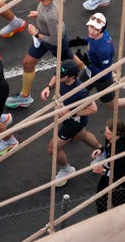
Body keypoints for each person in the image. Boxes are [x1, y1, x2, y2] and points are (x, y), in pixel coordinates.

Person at [6, 0, 81, 109]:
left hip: (54, 42)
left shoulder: (50, 16)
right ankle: (25, 97)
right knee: (27, 63)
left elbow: (54, 39)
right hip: (44, 36)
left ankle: (90, 71)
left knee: (72, 63)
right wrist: (39, 14)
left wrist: (35, 34)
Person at [39, 59, 100, 187]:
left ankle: (67, 170)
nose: (58, 77)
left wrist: (71, 113)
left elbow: (94, 109)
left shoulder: (80, 91)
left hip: (73, 122)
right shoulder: (62, 78)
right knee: (82, 135)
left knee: (53, 148)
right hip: (69, 118)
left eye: (63, 76)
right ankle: (103, 151)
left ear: (72, 77)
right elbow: (56, 77)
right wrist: (48, 87)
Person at [90, 122, 125, 213]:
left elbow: (117, 174)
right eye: (105, 131)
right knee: (100, 197)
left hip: (120, 178)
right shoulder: (110, 138)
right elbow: (107, 148)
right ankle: (102, 216)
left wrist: (103, 171)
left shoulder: (119, 152)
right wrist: (100, 150)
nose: (105, 134)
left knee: (117, 203)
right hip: (108, 174)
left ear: (117, 135)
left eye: (108, 133)